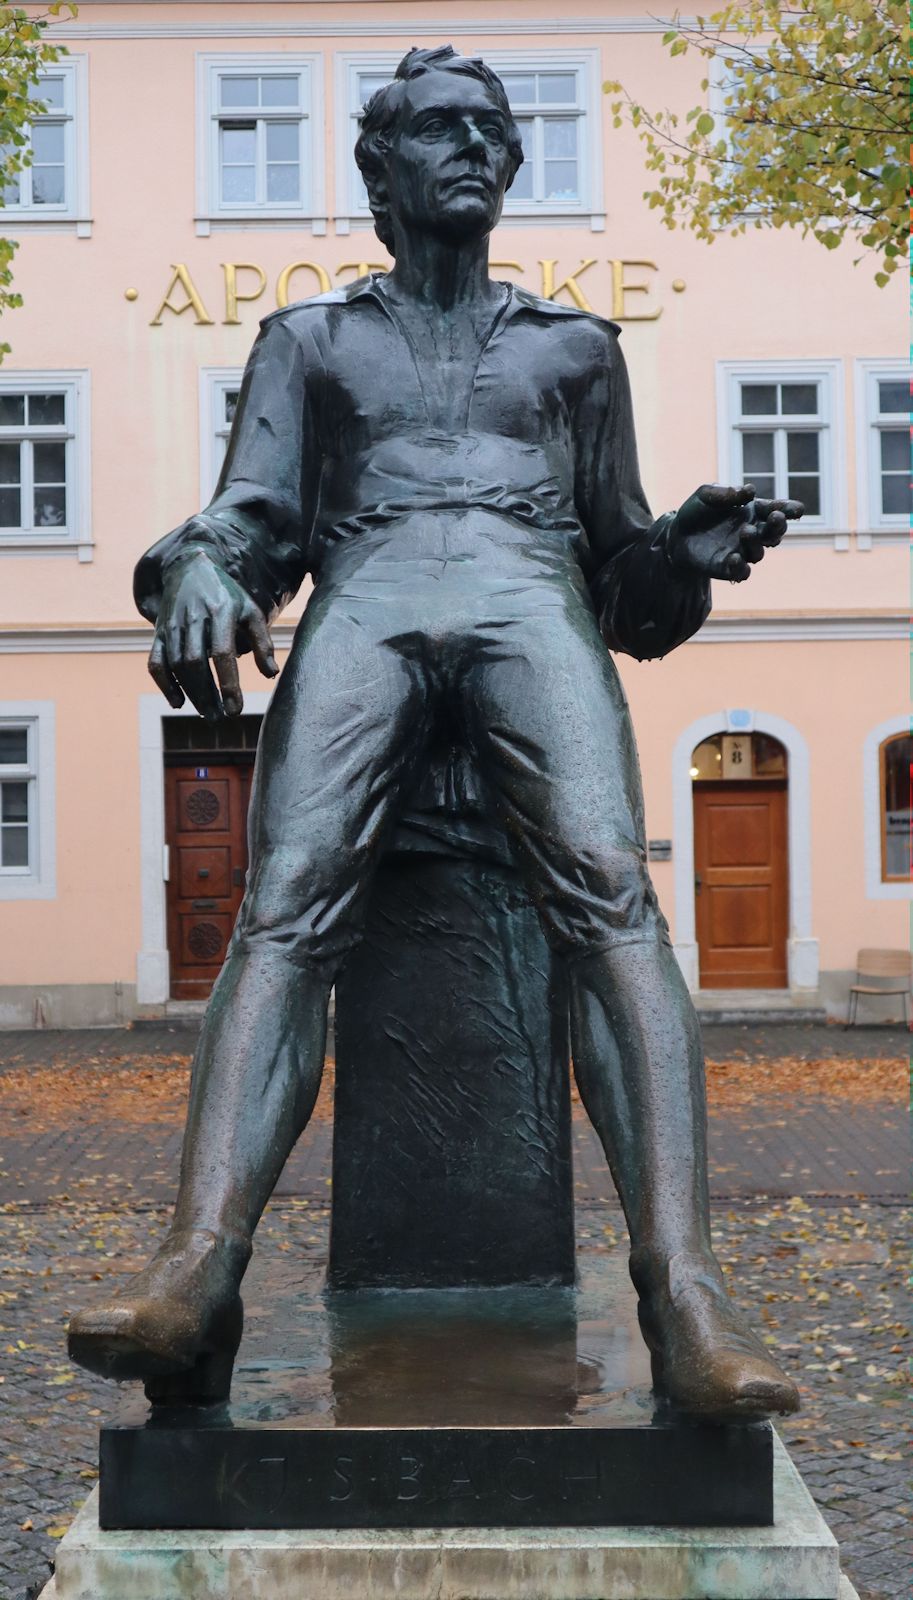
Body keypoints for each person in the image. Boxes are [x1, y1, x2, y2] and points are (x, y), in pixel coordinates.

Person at [69, 46, 801, 1421]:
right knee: (282, 910)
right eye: (440, 130)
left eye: (494, 131)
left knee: (612, 902)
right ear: (378, 169)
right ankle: (195, 1269)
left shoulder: (576, 350)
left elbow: (624, 593)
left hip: (533, 597)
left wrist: (681, 556)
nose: (476, 149)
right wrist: (199, 570)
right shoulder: (312, 341)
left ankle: (686, 1295)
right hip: (369, 586)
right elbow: (253, 518)